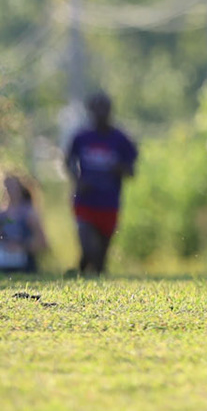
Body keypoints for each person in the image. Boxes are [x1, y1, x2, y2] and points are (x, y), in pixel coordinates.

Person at [63, 91, 138, 275]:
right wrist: (77, 179)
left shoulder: (120, 139)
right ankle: (83, 272)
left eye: (104, 109)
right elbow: (68, 161)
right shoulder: (81, 137)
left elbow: (131, 170)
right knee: (90, 247)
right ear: (90, 111)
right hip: (85, 200)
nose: (101, 113)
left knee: (101, 259)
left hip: (109, 202)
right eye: (96, 109)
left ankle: (81, 273)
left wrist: (119, 168)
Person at [0, 172, 49, 273]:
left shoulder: (29, 213)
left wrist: (21, 246)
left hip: (25, 268)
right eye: (6, 187)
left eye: (12, 187)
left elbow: (43, 243)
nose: (9, 191)